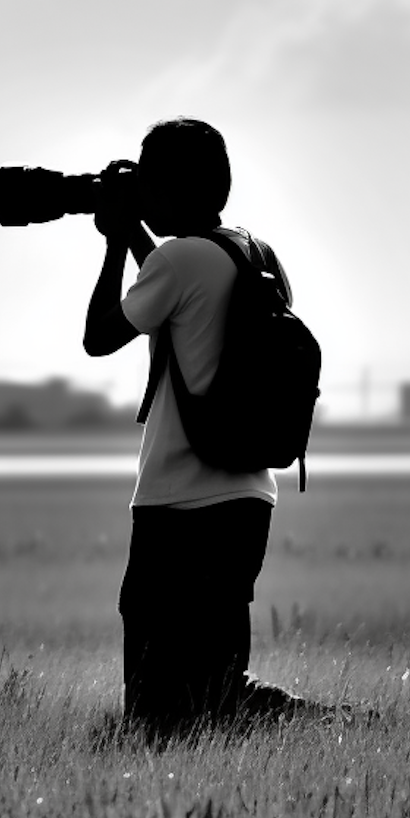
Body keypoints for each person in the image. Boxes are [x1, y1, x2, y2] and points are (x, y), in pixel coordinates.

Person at [83, 116, 303, 733]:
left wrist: (113, 241)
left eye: (148, 181)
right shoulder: (251, 253)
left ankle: (318, 726)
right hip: (245, 498)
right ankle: (330, 728)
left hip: (178, 504)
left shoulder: (179, 260)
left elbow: (100, 337)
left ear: (167, 188)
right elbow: (176, 296)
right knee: (215, 695)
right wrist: (135, 235)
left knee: (155, 716)